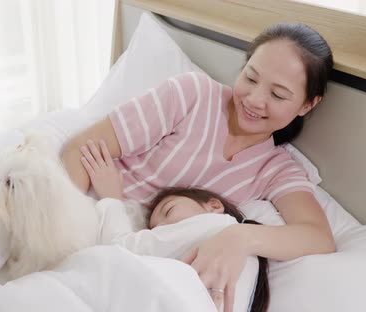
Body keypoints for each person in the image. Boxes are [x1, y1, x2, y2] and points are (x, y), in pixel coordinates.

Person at [62, 22, 336, 312]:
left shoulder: (274, 168)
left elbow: (317, 236)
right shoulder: (193, 94)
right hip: (87, 219)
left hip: (138, 266)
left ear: (307, 105)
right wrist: (66, 235)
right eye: (250, 78)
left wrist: (240, 237)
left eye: (278, 95)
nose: (254, 100)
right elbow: (84, 147)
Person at [81, 142, 269, 312]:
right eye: (153, 230)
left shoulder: (217, 225)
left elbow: (122, 248)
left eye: (169, 210)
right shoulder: (250, 256)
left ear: (213, 206)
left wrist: (112, 198)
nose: (161, 228)